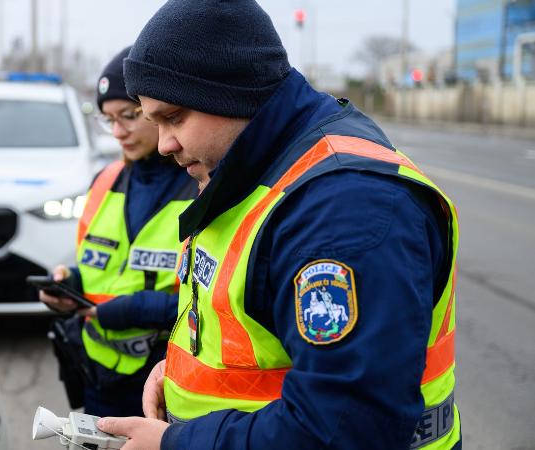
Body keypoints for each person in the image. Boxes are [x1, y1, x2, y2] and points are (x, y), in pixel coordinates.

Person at [95, 1, 461, 449]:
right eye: (155, 121)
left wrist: (176, 444)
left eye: (174, 117)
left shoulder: (344, 208)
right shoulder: (252, 170)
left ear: (228, 91)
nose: (165, 144)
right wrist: (181, 371)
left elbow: (346, 427)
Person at [39, 46, 198, 417]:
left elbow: (212, 301)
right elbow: (106, 269)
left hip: (165, 381)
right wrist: (70, 283)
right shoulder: (105, 180)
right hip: (97, 378)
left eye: (128, 115)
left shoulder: (201, 185)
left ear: (160, 110)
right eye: (107, 119)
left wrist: (131, 311)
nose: (117, 132)